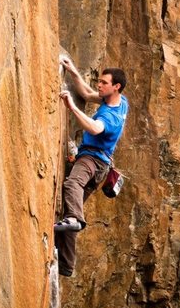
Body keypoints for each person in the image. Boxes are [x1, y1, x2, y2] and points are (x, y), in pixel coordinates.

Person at [54, 56, 128, 277]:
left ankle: (75, 219)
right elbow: (87, 93)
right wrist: (73, 70)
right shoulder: (119, 101)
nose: (99, 85)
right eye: (100, 81)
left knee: (72, 185)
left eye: (104, 83)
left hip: (91, 161)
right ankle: (66, 266)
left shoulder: (110, 117)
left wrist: (71, 107)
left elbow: (95, 128)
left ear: (116, 87)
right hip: (101, 166)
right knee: (71, 209)